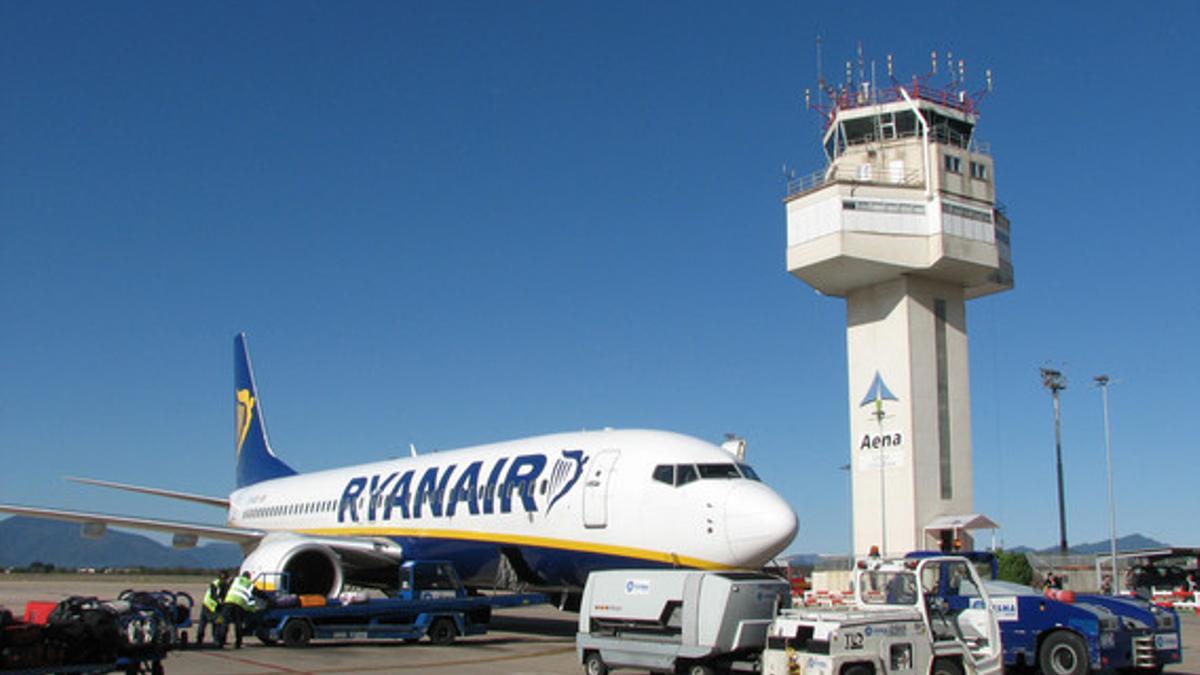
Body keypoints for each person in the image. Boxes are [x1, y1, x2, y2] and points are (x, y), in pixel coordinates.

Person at [220, 571, 257, 649]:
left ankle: (221, 641)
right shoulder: (250, 584)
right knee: (238, 624)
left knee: (225, 622)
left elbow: (226, 588)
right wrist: (270, 600)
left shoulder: (235, 580)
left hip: (229, 602)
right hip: (239, 605)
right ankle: (238, 642)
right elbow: (258, 593)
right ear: (249, 577)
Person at [195, 570, 229, 646]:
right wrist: (221, 601)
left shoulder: (215, 583)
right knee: (218, 622)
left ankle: (199, 639)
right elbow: (215, 596)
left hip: (206, 604)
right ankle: (217, 640)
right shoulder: (219, 584)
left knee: (203, 623)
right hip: (212, 607)